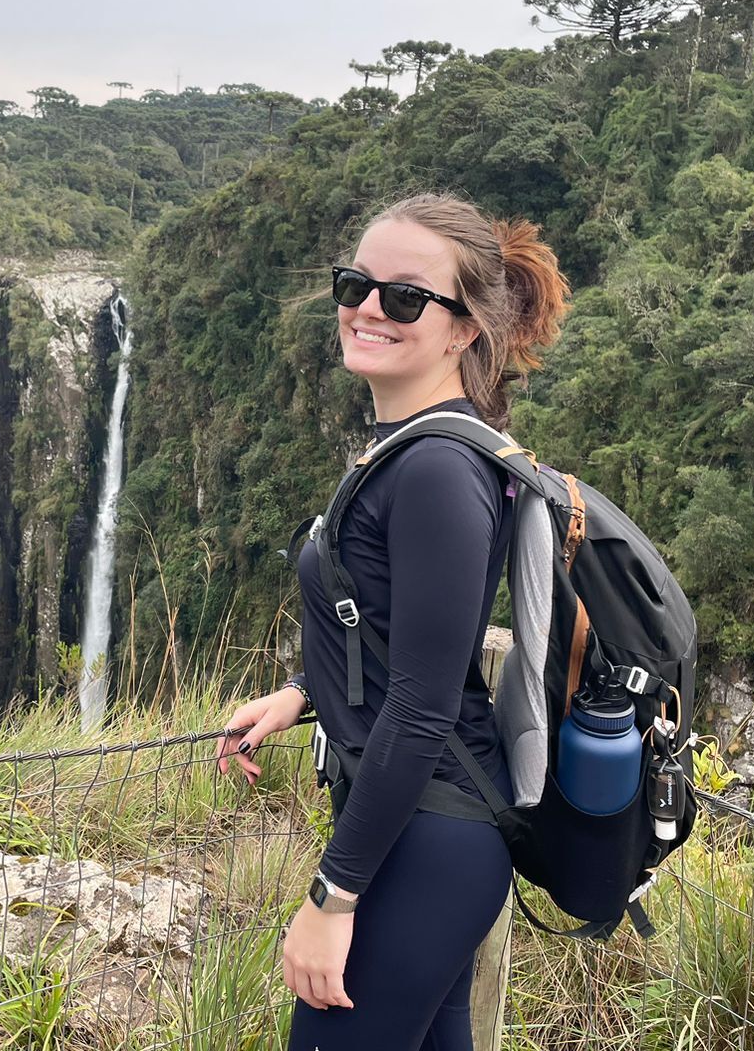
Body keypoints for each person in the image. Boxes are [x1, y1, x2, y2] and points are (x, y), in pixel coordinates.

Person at [214, 192, 569, 1050]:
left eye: (406, 296)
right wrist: (304, 689)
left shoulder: (440, 468)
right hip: (422, 834)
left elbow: (422, 705)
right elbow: (397, 625)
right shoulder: (419, 447)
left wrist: (333, 899)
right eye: (356, 284)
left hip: (427, 843)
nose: (369, 308)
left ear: (463, 329)